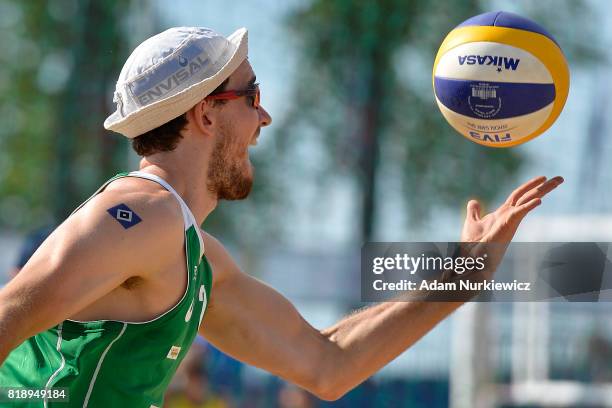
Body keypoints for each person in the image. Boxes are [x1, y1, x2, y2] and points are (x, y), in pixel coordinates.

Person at [0, 26, 563, 407]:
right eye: (253, 95)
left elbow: (328, 364)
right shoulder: (141, 214)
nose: (264, 116)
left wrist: (463, 273)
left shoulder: (194, 255)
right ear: (205, 114)